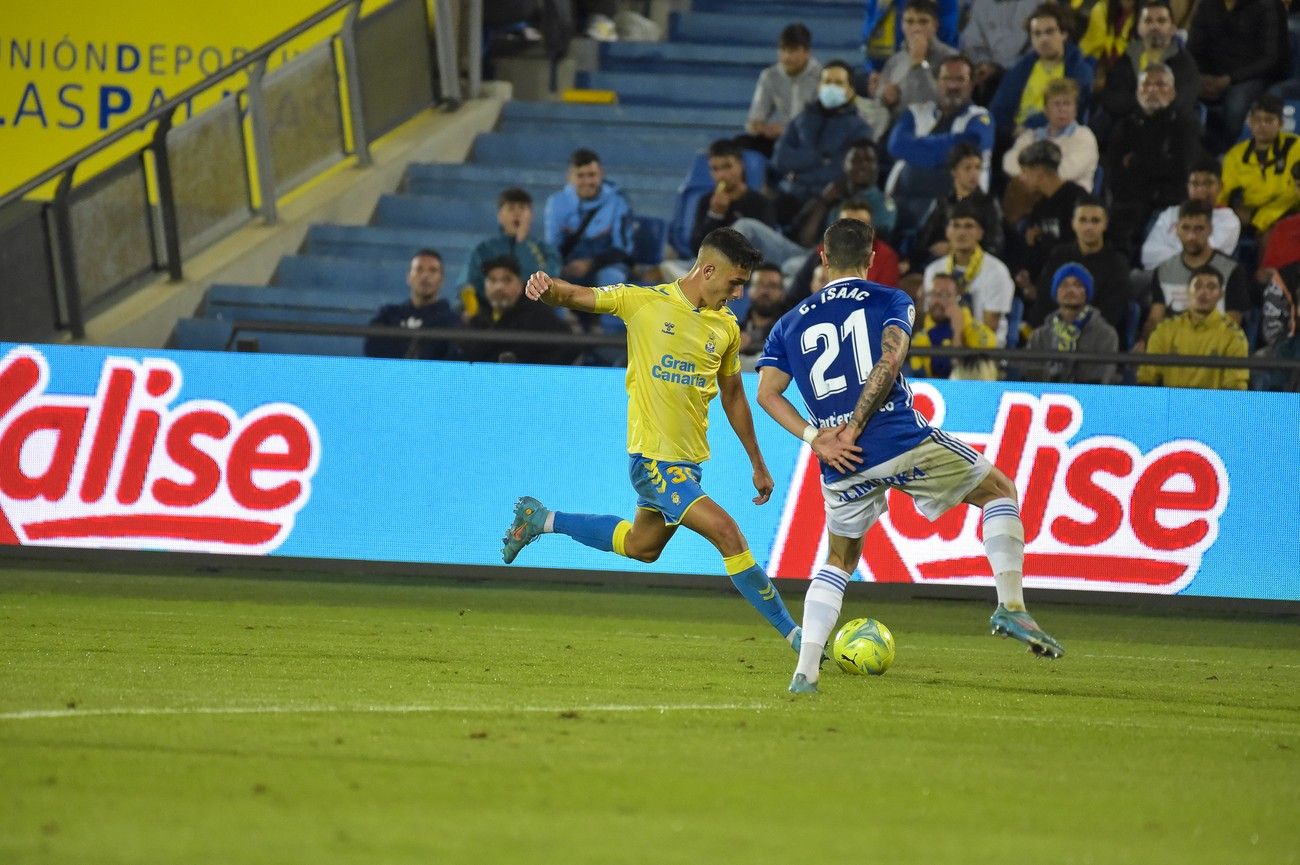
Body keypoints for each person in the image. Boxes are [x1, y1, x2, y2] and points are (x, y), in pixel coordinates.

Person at [754, 217, 1064, 694]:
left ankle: (805, 673)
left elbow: (767, 394)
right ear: (872, 259)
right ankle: (1011, 606)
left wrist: (817, 437)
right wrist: (858, 424)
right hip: (896, 438)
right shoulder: (891, 299)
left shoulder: (789, 321)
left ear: (821, 257)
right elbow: (890, 359)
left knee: (838, 558)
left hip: (839, 461)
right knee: (999, 490)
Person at [501, 228, 814, 655]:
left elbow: (734, 396)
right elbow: (577, 296)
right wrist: (546, 287)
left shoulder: (725, 327)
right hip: (653, 461)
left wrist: (757, 462)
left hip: (688, 465)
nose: (739, 294)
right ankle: (800, 638)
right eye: (735, 282)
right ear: (707, 270)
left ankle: (542, 518)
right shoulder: (643, 303)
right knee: (728, 534)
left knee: (640, 547)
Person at [886, 54, 994, 233]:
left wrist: (917, 151)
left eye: (960, 79)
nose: (953, 86)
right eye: (947, 79)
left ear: (972, 83)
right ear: (937, 82)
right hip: (902, 201)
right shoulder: (916, 112)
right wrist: (944, 155)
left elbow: (970, 145)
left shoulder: (981, 118)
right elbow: (897, 146)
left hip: (957, 211)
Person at [1103, 63, 1201, 255]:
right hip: (1128, 201)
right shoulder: (1125, 126)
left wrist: (1137, 163)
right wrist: (1157, 163)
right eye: (1146, 85)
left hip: (1167, 202)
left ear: (1173, 92)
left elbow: (1182, 169)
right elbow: (1114, 170)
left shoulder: (1185, 124)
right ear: (1137, 92)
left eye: (1160, 85)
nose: (1153, 90)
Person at [771, 60, 873, 220]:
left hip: (829, 201)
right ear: (819, 87)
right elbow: (780, 159)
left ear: (851, 91)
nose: (831, 87)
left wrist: (797, 174)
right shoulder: (800, 119)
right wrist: (819, 158)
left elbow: (841, 171)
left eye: (839, 83)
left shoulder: (860, 129)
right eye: (827, 82)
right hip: (790, 195)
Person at [1141, 200, 1253, 344]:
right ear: (1176, 229)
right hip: (1172, 350)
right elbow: (1155, 318)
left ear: (1210, 229)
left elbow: (1232, 323)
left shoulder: (1231, 270)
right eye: (1185, 228)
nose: (1191, 236)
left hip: (1213, 351)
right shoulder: (1163, 270)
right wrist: (1145, 342)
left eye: (1199, 229)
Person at [1187, 0, 1285, 154]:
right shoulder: (1207, 4)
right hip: (1209, 75)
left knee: (1236, 106)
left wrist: (1230, 79)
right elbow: (1192, 47)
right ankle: (1192, 152)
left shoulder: (1267, 5)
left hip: (1250, 76)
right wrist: (1198, 76)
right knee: (1179, 92)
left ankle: (1230, 154)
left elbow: (1271, 59)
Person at [1093, 0, 1200, 139]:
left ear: (1173, 28)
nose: (1154, 26)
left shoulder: (1184, 63)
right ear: (1139, 27)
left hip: (1166, 134)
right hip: (1126, 130)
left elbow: (1181, 104)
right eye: (1148, 21)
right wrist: (1146, 104)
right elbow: (1111, 97)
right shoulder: (1128, 57)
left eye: (1161, 21)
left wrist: (1143, 105)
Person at [988, 3, 1093, 139]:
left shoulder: (1079, 70)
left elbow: (1069, 111)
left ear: (1064, 34)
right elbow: (998, 108)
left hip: (1059, 139)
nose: (1043, 39)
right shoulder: (1020, 68)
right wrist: (1011, 131)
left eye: (1049, 32)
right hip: (1015, 137)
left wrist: (1029, 128)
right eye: (1037, 34)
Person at [1137, 266, 1249, 389]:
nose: (1204, 292)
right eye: (1198, 286)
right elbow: (1146, 378)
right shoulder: (1165, 330)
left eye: (1211, 287)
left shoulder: (1234, 336)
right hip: (1172, 406)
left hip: (1214, 406)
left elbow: (1236, 388)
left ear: (1221, 295)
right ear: (1187, 292)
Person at [922, 200, 1016, 345]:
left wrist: (959, 332)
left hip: (982, 352)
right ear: (947, 231)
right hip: (939, 347)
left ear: (980, 233)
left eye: (969, 226)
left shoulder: (997, 272)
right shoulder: (934, 270)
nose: (961, 232)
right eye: (956, 225)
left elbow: (990, 328)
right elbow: (930, 317)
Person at [1034, 195, 1133, 333]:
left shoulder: (1117, 264)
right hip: (1054, 335)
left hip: (1096, 341)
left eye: (1095, 221)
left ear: (1105, 224)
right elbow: (1044, 300)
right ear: (1073, 223)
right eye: (1082, 220)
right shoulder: (1058, 256)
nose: (1088, 227)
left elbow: (1111, 312)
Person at [459, 188, 562, 319]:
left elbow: (550, 284)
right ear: (500, 216)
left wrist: (522, 244)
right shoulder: (483, 250)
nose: (517, 213)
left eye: (523, 208)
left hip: (532, 314)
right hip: (489, 312)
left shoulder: (546, 251)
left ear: (531, 215)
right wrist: (472, 309)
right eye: (511, 208)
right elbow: (467, 284)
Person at [543, 148, 634, 290]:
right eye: (580, 176)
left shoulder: (618, 202)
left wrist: (590, 263)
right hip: (570, 265)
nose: (587, 181)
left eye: (592, 175)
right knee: (548, 281)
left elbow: (622, 248)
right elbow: (553, 247)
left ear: (601, 175)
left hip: (607, 265)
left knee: (612, 278)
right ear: (570, 177)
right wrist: (558, 268)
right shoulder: (556, 203)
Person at [1008, 140, 1088, 301]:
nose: (1022, 178)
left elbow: (1078, 247)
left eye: (1025, 171)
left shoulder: (1077, 199)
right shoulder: (1040, 206)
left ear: (1039, 173)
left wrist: (1041, 237)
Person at [461, 257, 577, 366]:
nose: (499, 287)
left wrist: (535, 373)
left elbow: (569, 346)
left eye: (507, 280)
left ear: (520, 285)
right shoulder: (477, 318)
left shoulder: (538, 315)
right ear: (485, 286)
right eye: (492, 280)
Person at [1019, 263, 1120, 384]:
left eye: (1078, 285)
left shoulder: (1106, 334)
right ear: (1056, 292)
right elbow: (1029, 373)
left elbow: (1103, 377)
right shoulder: (1039, 335)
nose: (1070, 290)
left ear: (1086, 292)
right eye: (1064, 285)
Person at [911, 141, 1004, 270]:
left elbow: (995, 245)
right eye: (967, 168)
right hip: (939, 264)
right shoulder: (945, 202)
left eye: (978, 167)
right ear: (954, 171)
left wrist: (954, 248)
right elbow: (925, 237)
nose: (974, 173)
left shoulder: (988, 204)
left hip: (976, 267)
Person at [789, 139, 898, 248]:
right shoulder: (833, 194)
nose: (863, 165)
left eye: (869, 160)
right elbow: (804, 240)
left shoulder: (883, 204)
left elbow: (874, 247)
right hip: (811, 255)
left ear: (877, 165)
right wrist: (824, 202)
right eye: (856, 160)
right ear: (844, 164)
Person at [787, 199, 903, 300]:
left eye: (861, 225)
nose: (853, 232)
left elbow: (883, 300)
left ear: (873, 230)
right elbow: (796, 294)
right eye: (846, 225)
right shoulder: (824, 249)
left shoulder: (886, 257)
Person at [865, 0, 959, 123]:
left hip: (936, 127)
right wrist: (884, 98)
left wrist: (919, 63)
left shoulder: (951, 58)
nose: (916, 28)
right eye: (909, 22)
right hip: (897, 128)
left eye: (923, 22)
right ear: (902, 25)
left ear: (935, 25)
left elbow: (941, 102)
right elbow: (879, 105)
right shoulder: (894, 61)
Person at [1219, 95, 1300, 237]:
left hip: (1288, 210)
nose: (1262, 125)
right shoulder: (1236, 155)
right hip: (1250, 212)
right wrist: (1221, 215)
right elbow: (1222, 192)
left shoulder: (1296, 146)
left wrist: (1262, 218)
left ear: (1280, 124)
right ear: (1249, 122)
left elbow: (1294, 192)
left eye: (1269, 120)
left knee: (1270, 233)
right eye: (1257, 120)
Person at [1140, 158, 1241, 271]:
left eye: (1208, 183)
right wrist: (1185, 257)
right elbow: (1148, 254)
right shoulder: (1170, 214)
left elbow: (1204, 257)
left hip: (1204, 281)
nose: (1201, 189)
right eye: (1195, 183)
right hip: (1161, 276)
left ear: (1220, 186)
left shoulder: (1228, 220)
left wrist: (1170, 253)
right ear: (1188, 187)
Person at [1002, 78, 1098, 194]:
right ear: (1046, 110)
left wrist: (1031, 177)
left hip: (1069, 201)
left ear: (1075, 109)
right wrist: (1027, 178)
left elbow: (1066, 172)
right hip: (1032, 197)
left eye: (1067, 104)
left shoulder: (1084, 136)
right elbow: (1010, 161)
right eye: (1057, 104)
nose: (1062, 109)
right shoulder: (1031, 136)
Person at [741, 23, 823, 158]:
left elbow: (821, 123)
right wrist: (762, 128)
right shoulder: (770, 76)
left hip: (811, 140)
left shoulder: (822, 76)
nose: (786, 57)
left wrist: (786, 130)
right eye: (782, 50)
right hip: (781, 140)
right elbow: (754, 120)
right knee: (743, 144)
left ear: (807, 52)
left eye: (792, 50)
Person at [363, 248, 459, 360]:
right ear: (409, 277)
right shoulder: (387, 315)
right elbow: (372, 350)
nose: (425, 276)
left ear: (442, 280)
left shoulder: (453, 321)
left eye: (432, 270)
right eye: (419, 269)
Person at [689, 139, 778, 255]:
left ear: (741, 165)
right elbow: (697, 250)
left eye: (727, 166)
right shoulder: (706, 201)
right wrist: (715, 215)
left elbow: (765, 246)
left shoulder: (761, 202)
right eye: (715, 169)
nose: (721, 175)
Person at [909, 272, 1000, 379]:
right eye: (933, 294)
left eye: (944, 294)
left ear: (958, 298)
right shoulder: (920, 338)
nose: (937, 300)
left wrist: (957, 333)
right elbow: (921, 382)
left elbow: (981, 379)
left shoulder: (980, 333)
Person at [959, 0, 1040, 104]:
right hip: (988, 74)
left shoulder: (1037, 3)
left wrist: (1001, 69)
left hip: (1024, 71)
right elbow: (972, 44)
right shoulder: (980, 4)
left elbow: (1038, 47)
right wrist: (984, 63)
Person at [738, 263, 788, 369]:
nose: (765, 291)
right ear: (749, 290)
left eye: (773, 286)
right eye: (759, 284)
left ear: (782, 293)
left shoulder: (788, 334)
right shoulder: (733, 330)